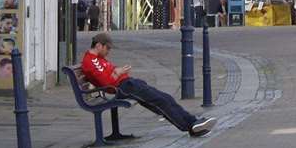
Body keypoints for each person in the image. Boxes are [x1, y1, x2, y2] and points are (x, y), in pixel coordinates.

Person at [80, 32, 214, 137]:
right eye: (107, 48)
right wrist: (117, 72)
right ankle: (189, 126)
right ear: (98, 45)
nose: (108, 51)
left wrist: (117, 72)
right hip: (122, 88)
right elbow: (107, 82)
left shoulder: (98, 59)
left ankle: (192, 120)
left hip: (127, 84)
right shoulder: (91, 62)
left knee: (165, 97)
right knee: (159, 101)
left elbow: (110, 72)